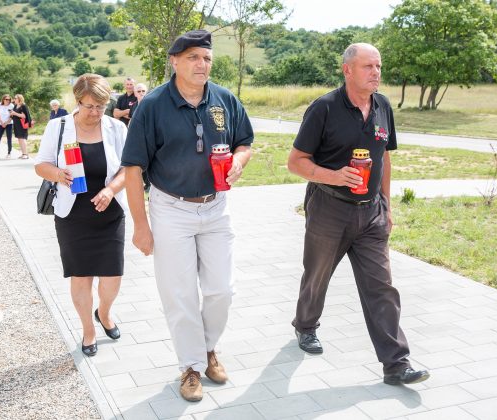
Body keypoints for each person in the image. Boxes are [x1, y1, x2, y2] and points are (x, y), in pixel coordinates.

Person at [121, 30, 253, 402]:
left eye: (206, 58)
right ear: (174, 61)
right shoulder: (152, 105)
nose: (201, 64)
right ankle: (192, 367)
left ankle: (208, 348)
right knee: (179, 294)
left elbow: (245, 142)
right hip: (171, 209)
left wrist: (239, 161)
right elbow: (133, 169)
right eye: (193, 57)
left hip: (216, 207)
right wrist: (141, 225)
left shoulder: (224, 99)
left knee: (222, 290)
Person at [287, 43, 430, 386]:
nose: (376, 72)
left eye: (378, 66)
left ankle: (396, 364)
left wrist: (387, 205)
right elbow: (296, 162)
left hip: (371, 213)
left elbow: (384, 157)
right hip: (329, 207)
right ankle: (306, 325)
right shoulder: (323, 108)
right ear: (347, 70)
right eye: (368, 66)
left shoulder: (383, 106)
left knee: (381, 287)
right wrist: (334, 176)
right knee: (317, 274)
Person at [35, 73, 128, 358]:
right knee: (81, 276)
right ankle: (88, 329)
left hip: (110, 212)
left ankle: (104, 312)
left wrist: (111, 190)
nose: (96, 112)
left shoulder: (116, 128)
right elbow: (41, 165)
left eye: (101, 106)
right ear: (77, 102)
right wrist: (57, 174)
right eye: (90, 106)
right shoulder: (58, 127)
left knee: (112, 276)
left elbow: (129, 169)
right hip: (72, 214)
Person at [0, 94, 14, 159]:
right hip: (0, 124)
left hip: (9, 124)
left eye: (9, 99)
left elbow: (11, 116)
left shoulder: (11, 106)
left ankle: (9, 153)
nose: (8, 101)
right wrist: (1, 122)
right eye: (6, 99)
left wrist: (6, 123)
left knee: (9, 139)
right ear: (3, 99)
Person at [10, 94, 31, 159]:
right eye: (14, 98)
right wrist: (12, 113)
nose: (14, 99)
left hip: (22, 125)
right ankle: (23, 153)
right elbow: (15, 114)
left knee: (22, 138)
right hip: (16, 124)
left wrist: (15, 113)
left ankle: (26, 154)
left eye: (15, 98)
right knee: (19, 139)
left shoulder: (23, 106)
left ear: (19, 99)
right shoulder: (15, 105)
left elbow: (24, 116)